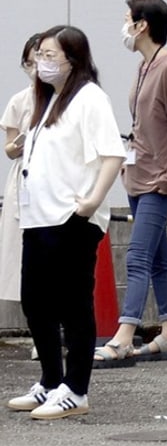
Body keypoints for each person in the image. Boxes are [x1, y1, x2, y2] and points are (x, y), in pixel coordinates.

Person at [7, 26, 125, 419]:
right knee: (35, 302)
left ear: (73, 59)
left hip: (70, 217)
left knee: (73, 303)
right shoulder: (47, 100)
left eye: (50, 56)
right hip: (38, 217)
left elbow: (113, 154)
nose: (42, 63)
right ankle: (50, 382)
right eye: (39, 55)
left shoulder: (89, 98)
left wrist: (91, 202)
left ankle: (76, 388)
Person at [94, 0, 167, 364]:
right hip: (140, 176)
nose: (124, 27)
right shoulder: (143, 66)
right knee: (156, 259)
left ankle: (124, 335)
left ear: (142, 25)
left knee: (137, 256)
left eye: (127, 19)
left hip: (159, 181)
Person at [0, 35, 39, 305]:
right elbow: (9, 148)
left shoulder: (67, 100)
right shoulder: (20, 100)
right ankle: (41, 335)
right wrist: (20, 143)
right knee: (24, 255)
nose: (35, 68)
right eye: (29, 62)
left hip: (54, 182)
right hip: (24, 179)